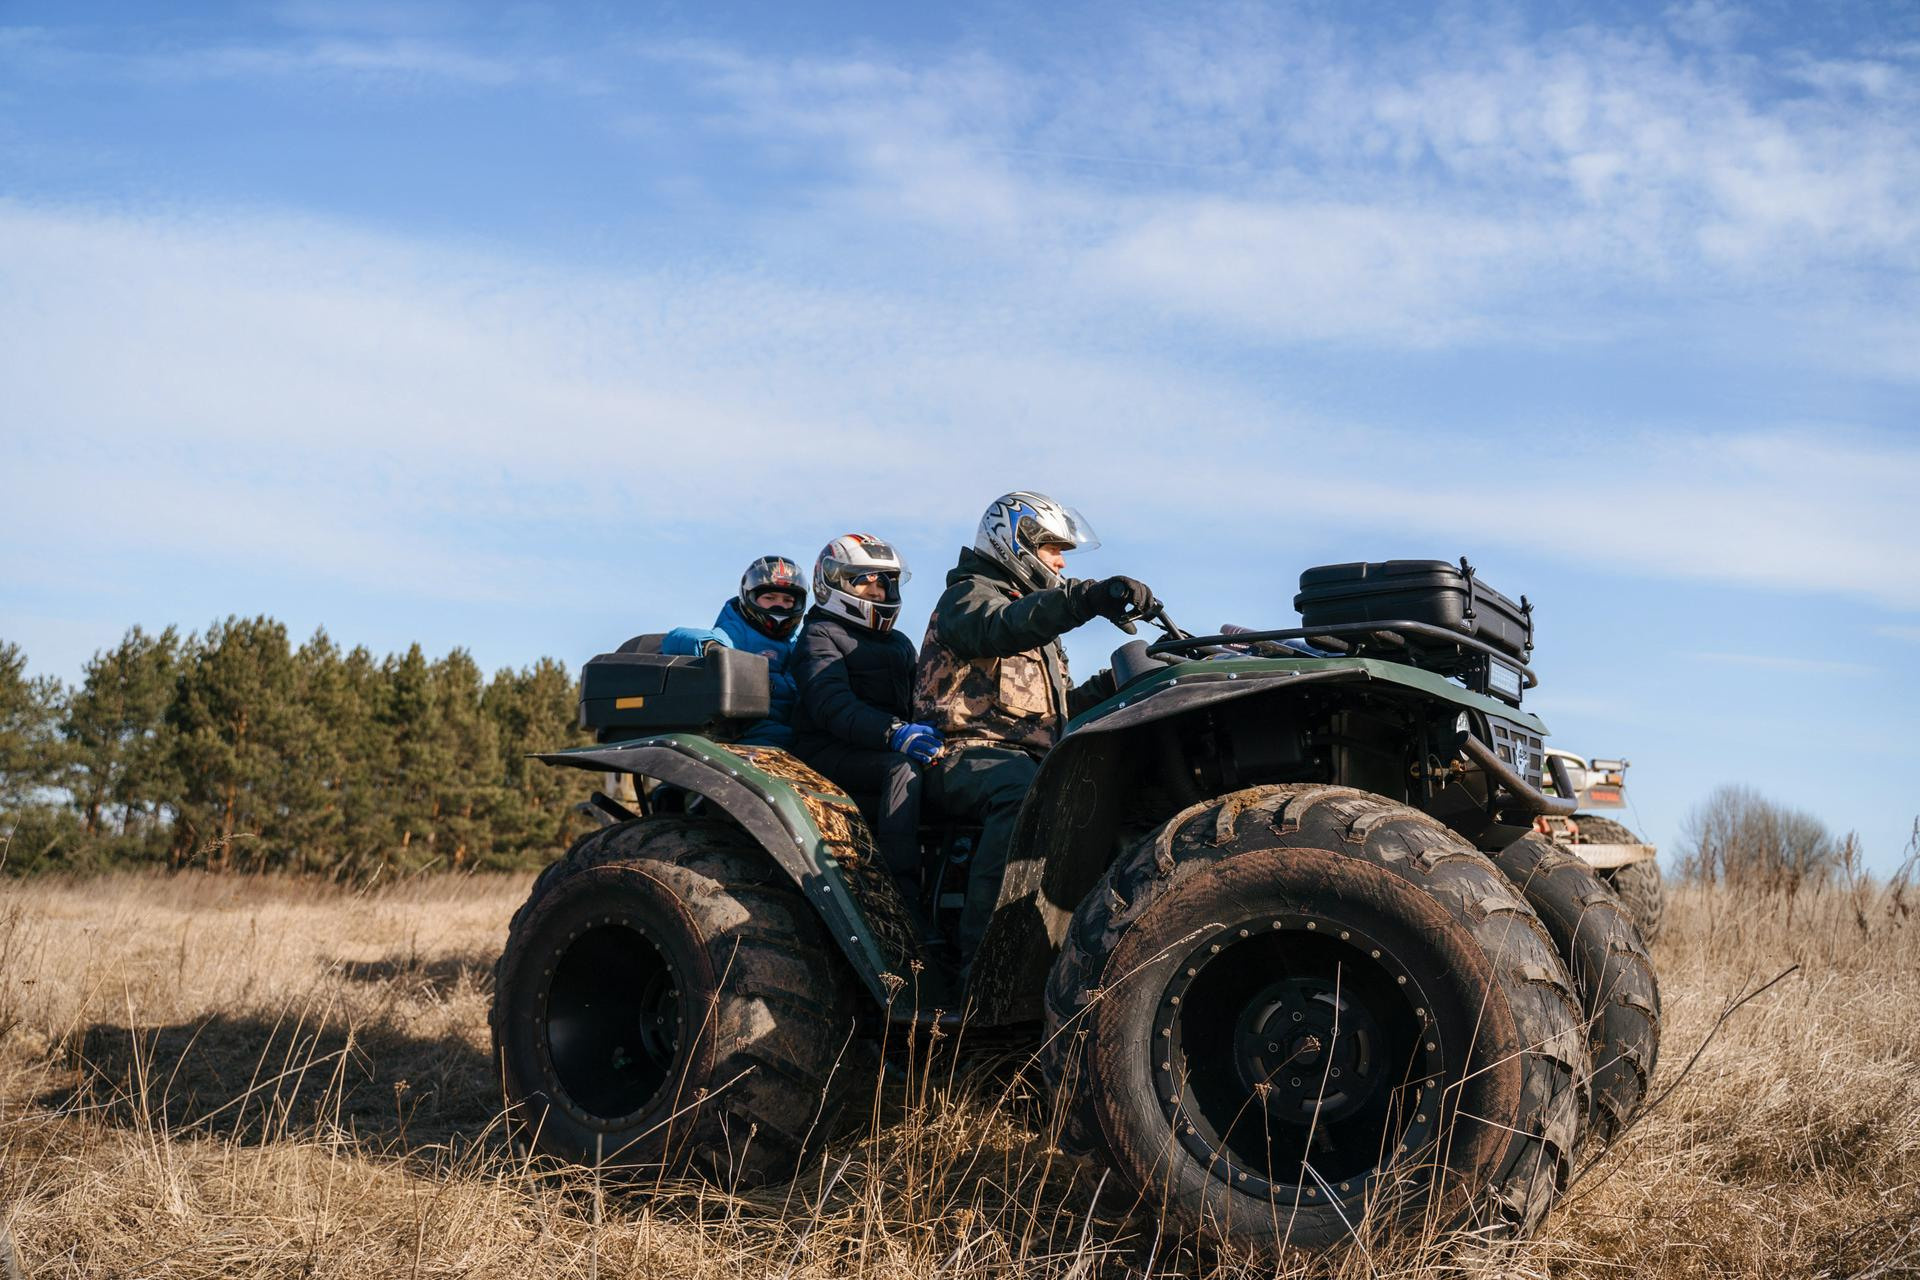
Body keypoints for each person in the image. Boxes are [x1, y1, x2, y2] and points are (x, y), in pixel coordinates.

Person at [913, 491, 1155, 965]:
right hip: (962, 755)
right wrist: (1085, 599)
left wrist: (1118, 682)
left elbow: (1061, 708)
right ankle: (987, 960)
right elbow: (997, 628)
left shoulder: (1031, 617)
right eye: (1053, 549)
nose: (1061, 563)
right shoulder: (968, 597)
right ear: (1015, 542)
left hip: (1031, 757)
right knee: (1022, 792)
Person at [790, 534, 942, 899]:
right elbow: (832, 706)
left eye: (885, 582)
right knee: (901, 770)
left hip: (878, 745)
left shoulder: (900, 643)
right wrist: (894, 733)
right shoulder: (819, 635)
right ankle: (899, 893)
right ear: (833, 582)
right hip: (825, 750)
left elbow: (922, 701)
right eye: (863, 580)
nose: (876, 590)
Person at [662, 555, 807, 748]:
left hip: (798, 735)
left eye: (788, 600)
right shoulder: (736, 632)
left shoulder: (801, 643)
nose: (779, 605)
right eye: (770, 598)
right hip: (750, 735)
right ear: (750, 597)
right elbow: (675, 638)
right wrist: (710, 646)